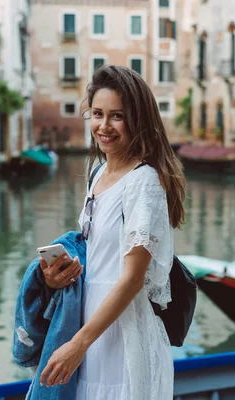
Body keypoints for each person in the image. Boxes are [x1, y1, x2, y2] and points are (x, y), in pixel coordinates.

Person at [38, 65, 187, 400]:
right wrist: (58, 277)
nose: (103, 126)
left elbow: (132, 279)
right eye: (97, 114)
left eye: (116, 116)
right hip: (90, 327)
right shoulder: (98, 172)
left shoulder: (144, 183)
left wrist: (77, 344)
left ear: (137, 120)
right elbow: (99, 257)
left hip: (122, 337)